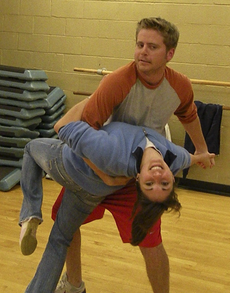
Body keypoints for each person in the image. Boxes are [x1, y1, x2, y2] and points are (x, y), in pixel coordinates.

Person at [52, 17, 214, 293]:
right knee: (63, 222)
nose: (142, 51)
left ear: (169, 53)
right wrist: (104, 175)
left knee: (150, 242)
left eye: (152, 46)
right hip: (99, 169)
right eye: (139, 44)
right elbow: (84, 135)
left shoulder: (180, 86)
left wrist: (200, 149)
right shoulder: (116, 81)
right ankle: (74, 284)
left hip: (141, 176)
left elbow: (189, 115)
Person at [19, 120, 214, 293]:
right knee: (62, 231)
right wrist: (201, 155)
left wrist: (85, 109)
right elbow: (188, 154)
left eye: (155, 184)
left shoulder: (118, 154)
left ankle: (30, 216)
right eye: (162, 183)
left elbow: (67, 130)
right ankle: (73, 284)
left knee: (62, 235)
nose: (157, 178)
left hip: (91, 175)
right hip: (100, 175)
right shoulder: (173, 157)